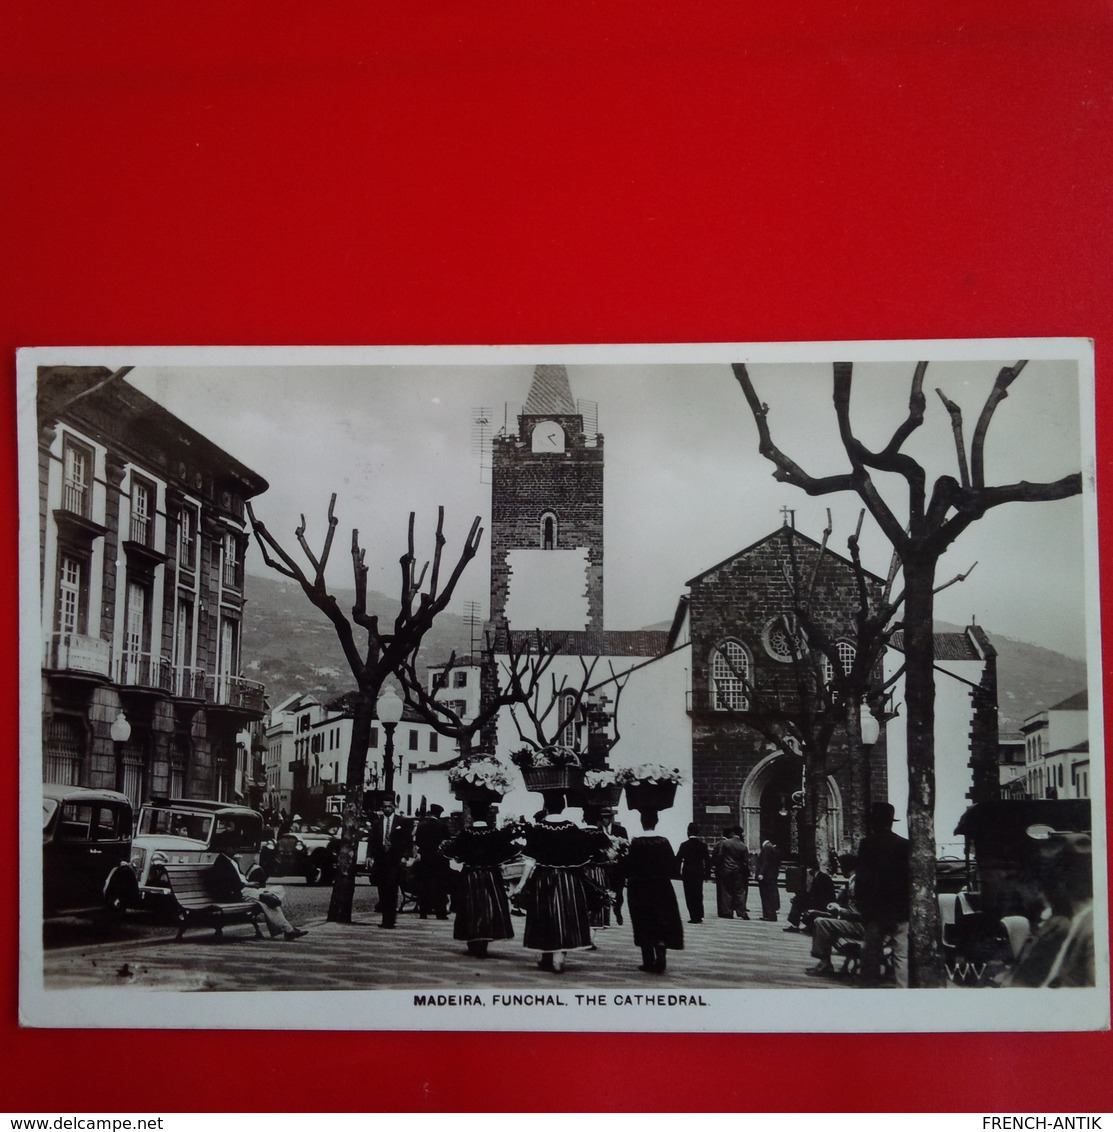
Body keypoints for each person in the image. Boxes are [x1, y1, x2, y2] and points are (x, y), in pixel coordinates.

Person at [515, 794, 609, 974]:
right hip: (569, 880)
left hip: (543, 879)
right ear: (563, 808)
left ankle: (545, 956)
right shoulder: (573, 829)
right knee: (565, 917)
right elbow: (583, 860)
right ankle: (559, 959)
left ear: (546, 808)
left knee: (544, 917)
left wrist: (521, 884)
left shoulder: (538, 829)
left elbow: (529, 861)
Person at [439, 812, 523, 958]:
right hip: (491, 875)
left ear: (472, 817)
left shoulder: (465, 834)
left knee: (470, 907)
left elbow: (451, 851)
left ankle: (472, 941)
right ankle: (483, 941)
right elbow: (511, 852)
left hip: (470, 875)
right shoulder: (494, 833)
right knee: (489, 908)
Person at [855, 801, 910, 986]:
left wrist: (863, 909)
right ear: (891, 821)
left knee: (871, 954)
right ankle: (904, 988)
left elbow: (862, 880)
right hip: (900, 910)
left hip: (875, 911)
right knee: (902, 955)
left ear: (873, 821)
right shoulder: (905, 845)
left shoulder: (867, 844)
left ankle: (869, 989)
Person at [624, 808, 684, 974]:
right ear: (656, 822)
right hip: (661, 887)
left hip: (640, 888)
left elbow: (629, 866)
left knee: (642, 920)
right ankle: (661, 946)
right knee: (661, 919)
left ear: (641, 822)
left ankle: (648, 960)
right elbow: (673, 867)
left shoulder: (636, 842)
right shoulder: (663, 842)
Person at [210, 853, 307, 941]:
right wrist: (247, 884)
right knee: (268, 902)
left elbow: (240, 877)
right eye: (232, 846)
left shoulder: (233, 860)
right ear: (226, 848)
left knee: (279, 889)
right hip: (239, 892)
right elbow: (229, 884)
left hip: (248, 889)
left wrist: (249, 882)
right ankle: (288, 930)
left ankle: (266, 896)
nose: (235, 849)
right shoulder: (221, 863)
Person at [805, 853, 861, 976]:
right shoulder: (853, 881)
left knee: (821, 922)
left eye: (841, 866)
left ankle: (825, 963)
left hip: (859, 925)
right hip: (855, 922)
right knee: (820, 920)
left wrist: (839, 910)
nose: (840, 869)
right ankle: (824, 962)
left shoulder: (856, 883)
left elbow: (858, 913)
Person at [366, 798, 414, 929]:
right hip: (381, 860)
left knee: (391, 889)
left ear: (394, 807)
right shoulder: (377, 823)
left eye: (389, 807)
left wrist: (405, 856)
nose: (387, 809)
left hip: (395, 860)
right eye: (384, 807)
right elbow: (372, 841)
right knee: (382, 889)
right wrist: (369, 856)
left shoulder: (401, 822)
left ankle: (390, 919)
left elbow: (408, 841)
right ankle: (385, 918)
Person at [413, 803, 453, 920]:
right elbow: (447, 844)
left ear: (430, 812)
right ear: (439, 814)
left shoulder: (421, 826)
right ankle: (440, 912)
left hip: (425, 860)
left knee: (424, 885)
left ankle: (423, 911)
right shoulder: (443, 827)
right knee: (440, 887)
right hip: (439, 861)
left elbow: (418, 842)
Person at [595, 806, 630, 925]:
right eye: (603, 818)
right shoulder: (597, 831)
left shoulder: (620, 830)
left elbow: (626, 849)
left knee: (618, 892)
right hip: (604, 867)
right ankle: (606, 915)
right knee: (605, 891)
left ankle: (618, 910)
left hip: (618, 868)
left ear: (611, 818)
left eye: (607, 818)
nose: (605, 820)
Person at [784, 859, 837, 934]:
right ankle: (800, 924)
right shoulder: (818, 877)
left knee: (798, 902)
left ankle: (795, 925)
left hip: (824, 904)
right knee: (798, 899)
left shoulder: (821, 878)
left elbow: (817, 895)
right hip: (820, 901)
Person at [675, 822, 711, 924]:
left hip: (687, 872)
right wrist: (707, 873)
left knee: (689, 894)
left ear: (688, 832)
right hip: (699, 872)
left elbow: (678, 859)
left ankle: (693, 915)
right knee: (698, 894)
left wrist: (677, 873)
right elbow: (707, 860)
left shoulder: (684, 845)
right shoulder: (702, 845)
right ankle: (699, 915)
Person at [755, 838, 781, 921]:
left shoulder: (767, 847)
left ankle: (769, 915)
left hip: (766, 877)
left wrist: (761, 873)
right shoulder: (772, 848)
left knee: (766, 896)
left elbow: (766, 862)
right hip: (771, 876)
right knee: (770, 895)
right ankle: (769, 914)